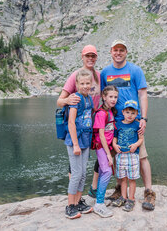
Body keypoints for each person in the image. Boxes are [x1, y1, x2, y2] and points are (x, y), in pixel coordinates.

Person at [101, 39, 156, 211]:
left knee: (142, 156)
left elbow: (143, 95)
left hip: (133, 122)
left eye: (122, 50)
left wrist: (144, 119)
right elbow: (104, 96)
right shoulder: (105, 73)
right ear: (111, 51)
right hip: (114, 123)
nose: (118, 53)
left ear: (126, 52)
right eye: (115, 50)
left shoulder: (135, 70)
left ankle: (149, 191)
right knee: (117, 156)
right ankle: (119, 189)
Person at [57, 44, 101, 196]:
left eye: (93, 56)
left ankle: (88, 192)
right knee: (76, 163)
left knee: (93, 157)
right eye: (87, 55)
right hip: (78, 124)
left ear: (96, 58)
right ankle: (74, 197)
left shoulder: (98, 76)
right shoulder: (76, 75)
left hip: (93, 123)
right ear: (82, 57)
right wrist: (68, 100)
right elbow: (59, 101)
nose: (90, 58)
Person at [64, 69, 94, 219]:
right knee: (75, 174)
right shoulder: (76, 98)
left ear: (91, 83)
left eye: (87, 83)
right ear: (76, 84)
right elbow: (71, 122)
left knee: (83, 174)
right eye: (82, 83)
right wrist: (75, 144)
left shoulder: (89, 98)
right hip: (75, 141)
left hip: (86, 140)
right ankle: (70, 206)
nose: (85, 86)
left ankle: (78, 203)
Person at [111, 100, 144, 212]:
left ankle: (131, 199)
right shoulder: (118, 124)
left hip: (132, 155)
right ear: (123, 112)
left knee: (132, 179)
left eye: (133, 113)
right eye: (128, 112)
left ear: (136, 114)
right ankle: (123, 197)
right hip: (120, 155)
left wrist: (135, 145)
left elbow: (141, 139)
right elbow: (115, 137)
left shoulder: (137, 124)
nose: (130, 115)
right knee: (123, 178)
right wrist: (114, 145)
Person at [92, 85, 118, 218]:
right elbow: (101, 136)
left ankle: (98, 198)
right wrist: (109, 154)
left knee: (103, 171)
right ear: (104, 97)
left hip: (107, 146)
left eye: (115, 97)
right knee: (107, 170)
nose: (113, 99)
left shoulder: (111, 111)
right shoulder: (101, 113)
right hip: (101, 147)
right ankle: (99, 204)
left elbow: (111, 130)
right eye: (111, 97)